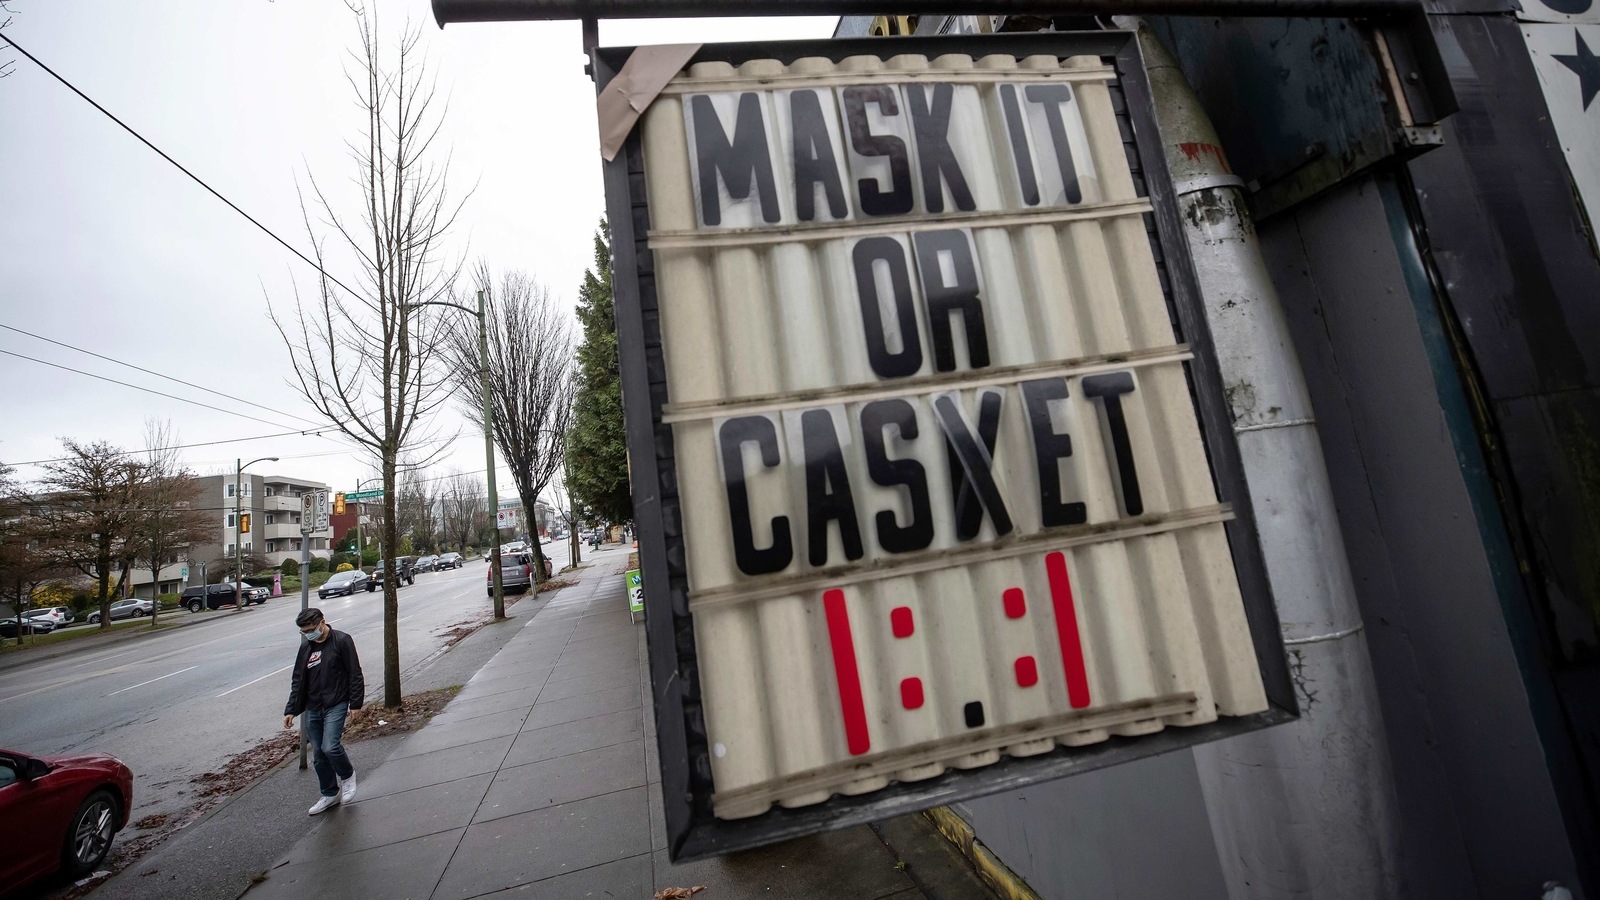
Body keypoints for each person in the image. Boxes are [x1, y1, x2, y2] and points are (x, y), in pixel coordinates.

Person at [283, 607, 365, 815]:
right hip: (312, 706)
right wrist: (291, 709)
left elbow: (355, 673)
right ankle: (329, 793)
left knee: (330, 747)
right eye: (304, 632)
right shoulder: (307, 648)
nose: (309, 634)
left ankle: (347, 777)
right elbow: (298, 679)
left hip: (335, 702)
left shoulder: (342, 641)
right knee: (318, 752)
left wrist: (355, 704)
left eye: (311, 629)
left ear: (322, 622)